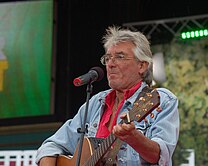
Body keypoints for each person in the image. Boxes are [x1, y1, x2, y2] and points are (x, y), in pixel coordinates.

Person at [36, 26, 180, 166]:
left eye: (120, 57)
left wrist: (134, 138)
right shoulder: (96, 103)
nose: (111, 64)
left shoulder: (161, 100)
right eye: (108, 58)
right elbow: (51, 145)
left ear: (142, 66)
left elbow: (160, 156)